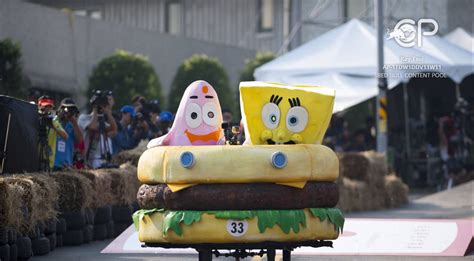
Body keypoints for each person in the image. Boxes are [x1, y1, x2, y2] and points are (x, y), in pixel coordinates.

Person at [78, 91, 118, 169]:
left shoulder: (102, 121)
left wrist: (108, 112)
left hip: (101, 160)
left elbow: (114, 129)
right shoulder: (83, 118)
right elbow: (92, 127)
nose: (101, 107)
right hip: (88, 160)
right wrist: (96, 109)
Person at [37, 95, 68, 171]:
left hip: (48, 162)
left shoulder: (53, 121)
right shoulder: (33, 118)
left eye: (49, 107)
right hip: (33, 158)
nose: (47, 109)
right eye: (45, 106)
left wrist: (53, 125)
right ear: (39, 106)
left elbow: (65, 136)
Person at [53, 98, 83, 170]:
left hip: (66, 165)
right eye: (66, 109)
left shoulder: (72, 125)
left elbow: (80, 140)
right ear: (60, 109)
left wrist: (74, 122)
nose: (67, 112)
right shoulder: (54, 121)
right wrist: (59, 116)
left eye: (70, 110)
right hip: (53, 163)